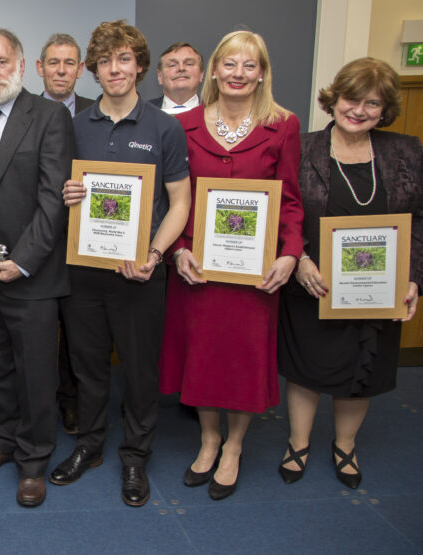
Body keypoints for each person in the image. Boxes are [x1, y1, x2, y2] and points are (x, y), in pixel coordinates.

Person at [159, 30, 304, 501]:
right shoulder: (184, 125)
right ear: (214, 71)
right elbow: (175, 201)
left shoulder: (283, 125)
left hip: (254, 273)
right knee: (202, 357)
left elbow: (292, 202)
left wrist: (290, 253)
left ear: (262, 72)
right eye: (230, 64)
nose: (238, 74)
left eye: (249, 65)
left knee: (242, 362)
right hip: (198, 267)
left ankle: (235, 446)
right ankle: (208, 440)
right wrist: (179, 249)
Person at [58, 20, 191, 507]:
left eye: (124, 59)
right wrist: (66, 193)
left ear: (139, 65)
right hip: (83, 272)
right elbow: (60, 191)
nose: (115, 69)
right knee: (87, 366)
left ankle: (135, 455)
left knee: (138, 371)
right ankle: (90, 444)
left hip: (140, 274)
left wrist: (154, 254)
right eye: (105, 61)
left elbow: (181, 202)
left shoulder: (164, 127)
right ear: (94, 69)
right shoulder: (72, 125)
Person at [277, 57, 422, 489]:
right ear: (334, 98)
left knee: (364, 367)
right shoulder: (302, 148)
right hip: (313, 282)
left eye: (372, 103)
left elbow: (419, 218)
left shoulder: (406, 151)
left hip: (376, 288)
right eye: (351, 98)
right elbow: (283, 211)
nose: (358, 110)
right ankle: (298, 443)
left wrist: (413, 277)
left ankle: (345, 445)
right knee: (307, 367)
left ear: (385, 109)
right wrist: (299, 259)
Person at [0, 27, 73, 507]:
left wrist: (21, 262)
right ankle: (2, 440)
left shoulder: (49, 118)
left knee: (36, 373)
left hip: (31, 276)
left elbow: (52, 202)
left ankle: (33, 460)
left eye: (1, 61)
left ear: (22, 66)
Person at [34, 32, 94, 435]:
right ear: (39, 68)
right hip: (37, 239)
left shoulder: (95, 114)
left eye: (69, 63)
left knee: (78, 332)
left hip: (85, 242)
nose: (60, 70)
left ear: (81, 69)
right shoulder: (23, 113)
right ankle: (37, 402)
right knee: (38, 332)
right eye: (53, 62)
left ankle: (72, 401)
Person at [150, 42, 204, 114]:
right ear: (160, 76)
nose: (181, 68)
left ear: (201, 74)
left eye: (189, 64)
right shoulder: (143, 113)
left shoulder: (217, 112)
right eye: (172, 65)